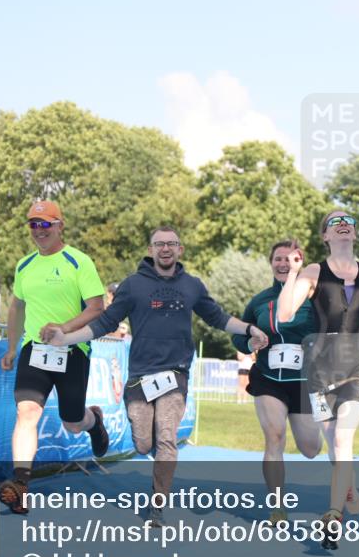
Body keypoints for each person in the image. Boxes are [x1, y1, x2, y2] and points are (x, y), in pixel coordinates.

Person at [46, 225, 269, 527]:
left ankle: (157, 506)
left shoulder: (192, 285)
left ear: (180, 250)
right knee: (142, 443)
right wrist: (67, 338)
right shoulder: (132, 285)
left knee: (166, 438)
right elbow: (105, 322)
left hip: (176, 375)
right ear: (150, 250)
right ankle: (97, 419)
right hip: (140, 377)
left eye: (171, 243)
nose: (165, 248)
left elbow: (218, 318)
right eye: (159, 244)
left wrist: (250, 328)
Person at [278, 211, 359, 549]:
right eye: (335, 222)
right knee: (335, 448)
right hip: (320, 373)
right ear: (325, 236)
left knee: (342, 436)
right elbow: (284, 314)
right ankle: (347, 484)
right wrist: (293, 272)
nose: (343, 224)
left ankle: (333, 516)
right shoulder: (313, 271)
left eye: (348, 220)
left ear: (354, 232)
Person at [0, 200, 108, 515]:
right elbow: (17, 307)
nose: (39, 230)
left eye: (45, 224)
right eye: (33, 224)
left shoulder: (79, 261)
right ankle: (20, 486)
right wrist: (12, 347)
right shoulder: (24, 265)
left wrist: (64, 328)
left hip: (72, 349)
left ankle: (93, 421)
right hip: (35, 350)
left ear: (60, 225)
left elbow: (97, 307)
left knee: (72, 423)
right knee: (27, 412)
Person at [231, 240, 327, 526]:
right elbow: (239, 334)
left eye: (289, 259)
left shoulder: (315, 299)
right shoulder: (260, 301)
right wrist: (249, 342)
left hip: (304, 382)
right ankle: (277, 507)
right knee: (274, 436)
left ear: (299, 262)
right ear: (271, 262)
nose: (283, 264)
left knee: (311, 449)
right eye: (278, 259)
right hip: (268, 378)